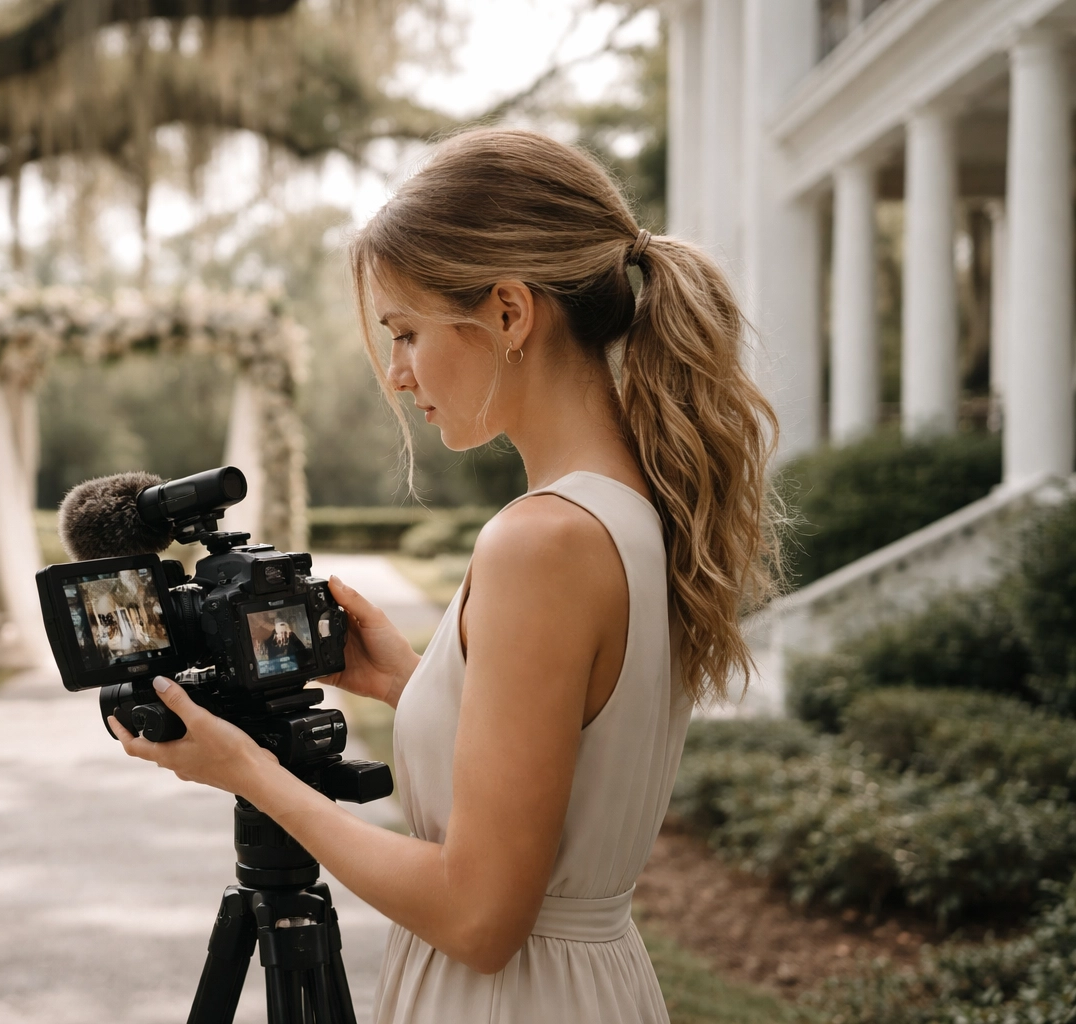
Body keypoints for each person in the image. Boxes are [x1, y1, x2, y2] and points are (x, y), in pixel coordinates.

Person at [108, 127, 781, 1022]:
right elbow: (571, 760)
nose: (396, 374)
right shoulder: (629, 508)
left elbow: (479, 916)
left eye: (407, 332)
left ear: (508, 313)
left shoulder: (541, 541)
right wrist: (412, 684)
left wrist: (248, 773)